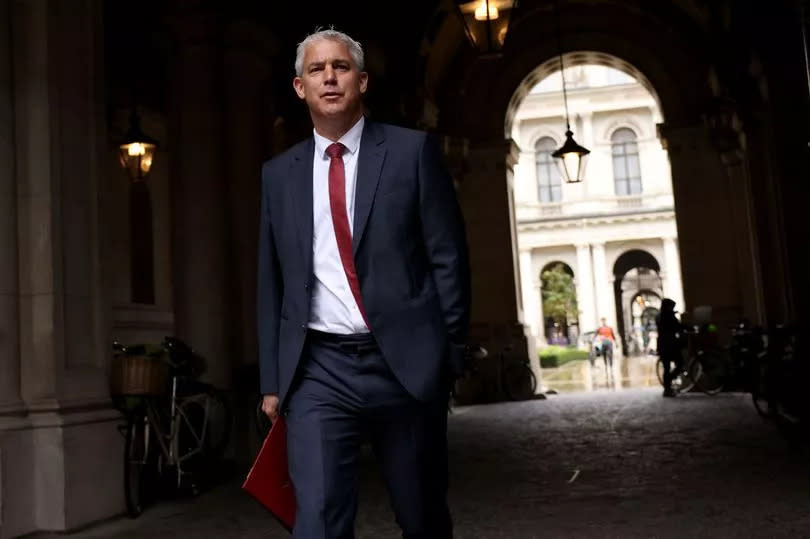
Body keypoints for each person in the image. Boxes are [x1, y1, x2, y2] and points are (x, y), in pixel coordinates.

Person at [257, 28, 470, 539]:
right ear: (299, 87)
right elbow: (272, 280)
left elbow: (448, 258)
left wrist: (448, 355)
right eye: (316, 69)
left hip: (405, 364)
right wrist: (271, 380)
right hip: (318, 369)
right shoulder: (277, 174)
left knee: (420, 515)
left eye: (341, 67)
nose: (329, 77)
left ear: (363, 80)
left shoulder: (412, 152)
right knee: (318, 521)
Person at [656, 298, 684, 397]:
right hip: (670, 344)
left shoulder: (660, 315)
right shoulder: (667, 316)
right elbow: (677, 326)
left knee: (666, 367)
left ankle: (667, 388)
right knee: (680, 363)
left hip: (662, 344)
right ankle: (668, 384)